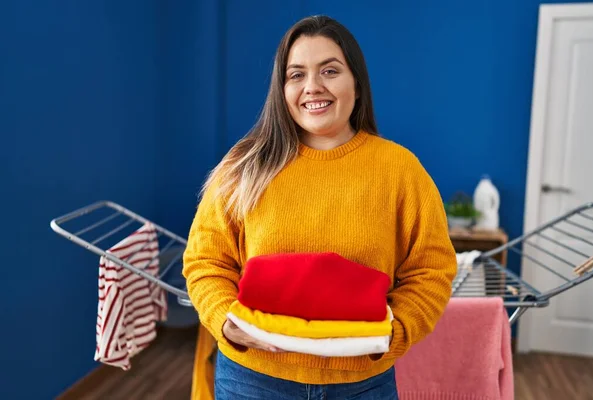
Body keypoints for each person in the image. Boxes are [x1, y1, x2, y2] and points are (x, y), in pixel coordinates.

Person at [183, 15, 457, 400]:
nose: (312, 87)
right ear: (282, 89)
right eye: (296, 75)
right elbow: (205, 261)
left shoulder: (400, 170)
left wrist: (396, 333)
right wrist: (226, 323)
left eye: (329, 70)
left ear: (357, 85)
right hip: (252, 379)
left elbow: (432, 268)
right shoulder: (243, 165)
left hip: (363, 382)